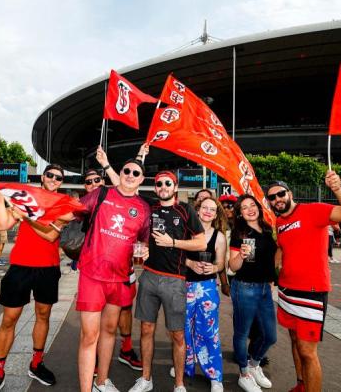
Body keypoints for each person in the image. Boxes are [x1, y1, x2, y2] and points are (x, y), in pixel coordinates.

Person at [269, 172, 341, 392]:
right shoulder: (280, 222)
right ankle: (301, 384)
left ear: (289, 193)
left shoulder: (313, 210)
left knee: (307, 351)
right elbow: (283, 248)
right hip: (286, 290)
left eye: (280, 194)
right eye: (272, 197)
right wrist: (274, 272)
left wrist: (337, 189)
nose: (277, 200)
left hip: (310, 291)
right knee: (294, 340)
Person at [0, 164, 70, 391]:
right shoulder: (27, 198)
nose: (53, 179)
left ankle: (36, 363)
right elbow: (3, 225)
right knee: (9, 319)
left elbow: (51, 235)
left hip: (48, 268)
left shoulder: (62, 204)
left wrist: (26, 217)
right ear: (43, 177)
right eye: (49, 175)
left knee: (43, 315)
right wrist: (0, 197)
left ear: (62, 181)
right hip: (20, 266)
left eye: (58, 177)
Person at [75, 158, 151, 392]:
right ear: (120, 172)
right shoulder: (100, 194)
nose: (130, 174)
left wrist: (144, 251)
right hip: (92, 275)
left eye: (135, 173)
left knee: (109, 331)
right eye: (126, 170)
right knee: (90, 336)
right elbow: (69, 212)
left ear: (141, 179)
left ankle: (102, 381)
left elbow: (143, 242)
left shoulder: (144, 208)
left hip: (119, 278)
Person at [129, 171, 206, 392]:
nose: (163, 186)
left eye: (167, 183)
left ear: (175, 186)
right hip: (149, 276)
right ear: (155, 188)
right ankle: (146, 378)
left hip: (175, 280)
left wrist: (172, 242)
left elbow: (200, 243)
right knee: (145, 329)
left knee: (177, 334)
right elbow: (126, 183)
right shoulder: (149, 207)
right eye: (159, 184)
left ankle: (179, 384)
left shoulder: (185, 210)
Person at [228, 194, 278, 392]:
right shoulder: (239, 233)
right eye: (244, 207)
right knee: (242, 334)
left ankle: (254, 365)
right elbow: (232, 266)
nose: (250, 209)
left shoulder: (267, 229)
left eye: (252, 205)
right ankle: (243, 373)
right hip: (245, 287)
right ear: (240, 213)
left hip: (265, 288)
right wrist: (240, 255)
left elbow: (272, 258)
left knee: (270, 335)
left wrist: (273, 280)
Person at [181, 196, 227, 392]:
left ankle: (215, 375)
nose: (208, 211)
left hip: (207, 287)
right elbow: (175, 255)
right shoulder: (186, 232)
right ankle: (185, 366)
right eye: (205, 208)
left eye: (213, 209)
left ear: (216, 215)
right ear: (197, 210)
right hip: (184, 285)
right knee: (183, 329)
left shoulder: (220, 237)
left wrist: (213, 268)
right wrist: (190, 263)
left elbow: (221, 264)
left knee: (209, 332)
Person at [217, 194, 237, 297]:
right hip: (230, 274)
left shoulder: (243, 225)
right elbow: (220, 259)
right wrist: (224, 283)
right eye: (223, 207)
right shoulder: (219, 229)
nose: (226, 209)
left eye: (229, 206)